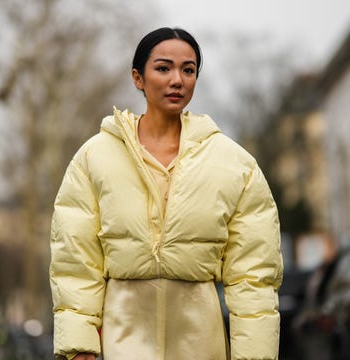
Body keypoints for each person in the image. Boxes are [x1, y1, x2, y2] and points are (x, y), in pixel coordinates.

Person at [49, 27, 283, 360]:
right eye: (163, 68)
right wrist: (79, 342)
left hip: (201, 337)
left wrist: (254, 354)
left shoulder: (235, 163)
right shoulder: (94, 157)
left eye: (188, 70)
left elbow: (254, 273)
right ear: (137, 78)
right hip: (122, 333)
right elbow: (75, 258)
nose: (177, 79)